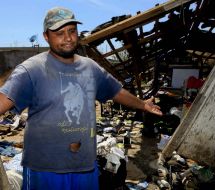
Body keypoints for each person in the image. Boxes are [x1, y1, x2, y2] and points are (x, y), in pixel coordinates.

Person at [0, 7, 162, 190]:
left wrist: (143, 105)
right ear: (46, 36)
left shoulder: (90, 67)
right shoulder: (31, 70)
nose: (68, 38)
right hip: (45, 169)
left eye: (72, 31)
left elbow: (115, 91)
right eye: (59, 33)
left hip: (85, 166)